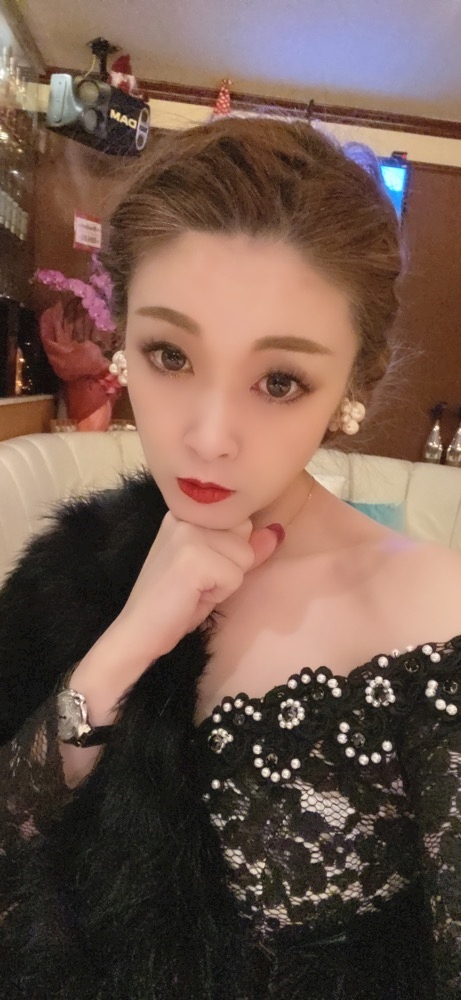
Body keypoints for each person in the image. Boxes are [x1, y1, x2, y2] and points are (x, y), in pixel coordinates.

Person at [0, 114, 460, 1000]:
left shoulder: (434, 621)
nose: (208, 438)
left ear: (352, 385)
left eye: (278, 381)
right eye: (170, 355)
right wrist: (127, 646)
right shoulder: (79, 558)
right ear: (124, 342)